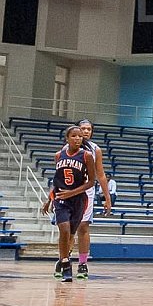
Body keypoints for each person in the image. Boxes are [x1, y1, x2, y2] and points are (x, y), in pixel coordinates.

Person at [40, 125, 96, 283]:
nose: (78, 138)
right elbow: (56, 181)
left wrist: (72, 193)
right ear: (67, 138)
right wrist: (49, 199)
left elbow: (91, 182)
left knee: (71, 233)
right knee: (63, 230)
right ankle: (65, 264)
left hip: (78, 199)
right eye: (74, 136)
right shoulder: (58, 155)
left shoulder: (86, 156)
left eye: (80, 136)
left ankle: (64, 261)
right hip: (61, 199)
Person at [66, 119, 111, 279]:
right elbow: (59, 173)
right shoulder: (66, 149)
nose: (86, 132)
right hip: (69, 191)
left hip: (87, 191)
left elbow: (101, 174)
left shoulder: (95, 149)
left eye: (88, 129)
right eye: (83, 128)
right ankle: (65, 261)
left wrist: (107, 197)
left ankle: (83, 263)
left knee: (83, 226)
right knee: (67, 228)